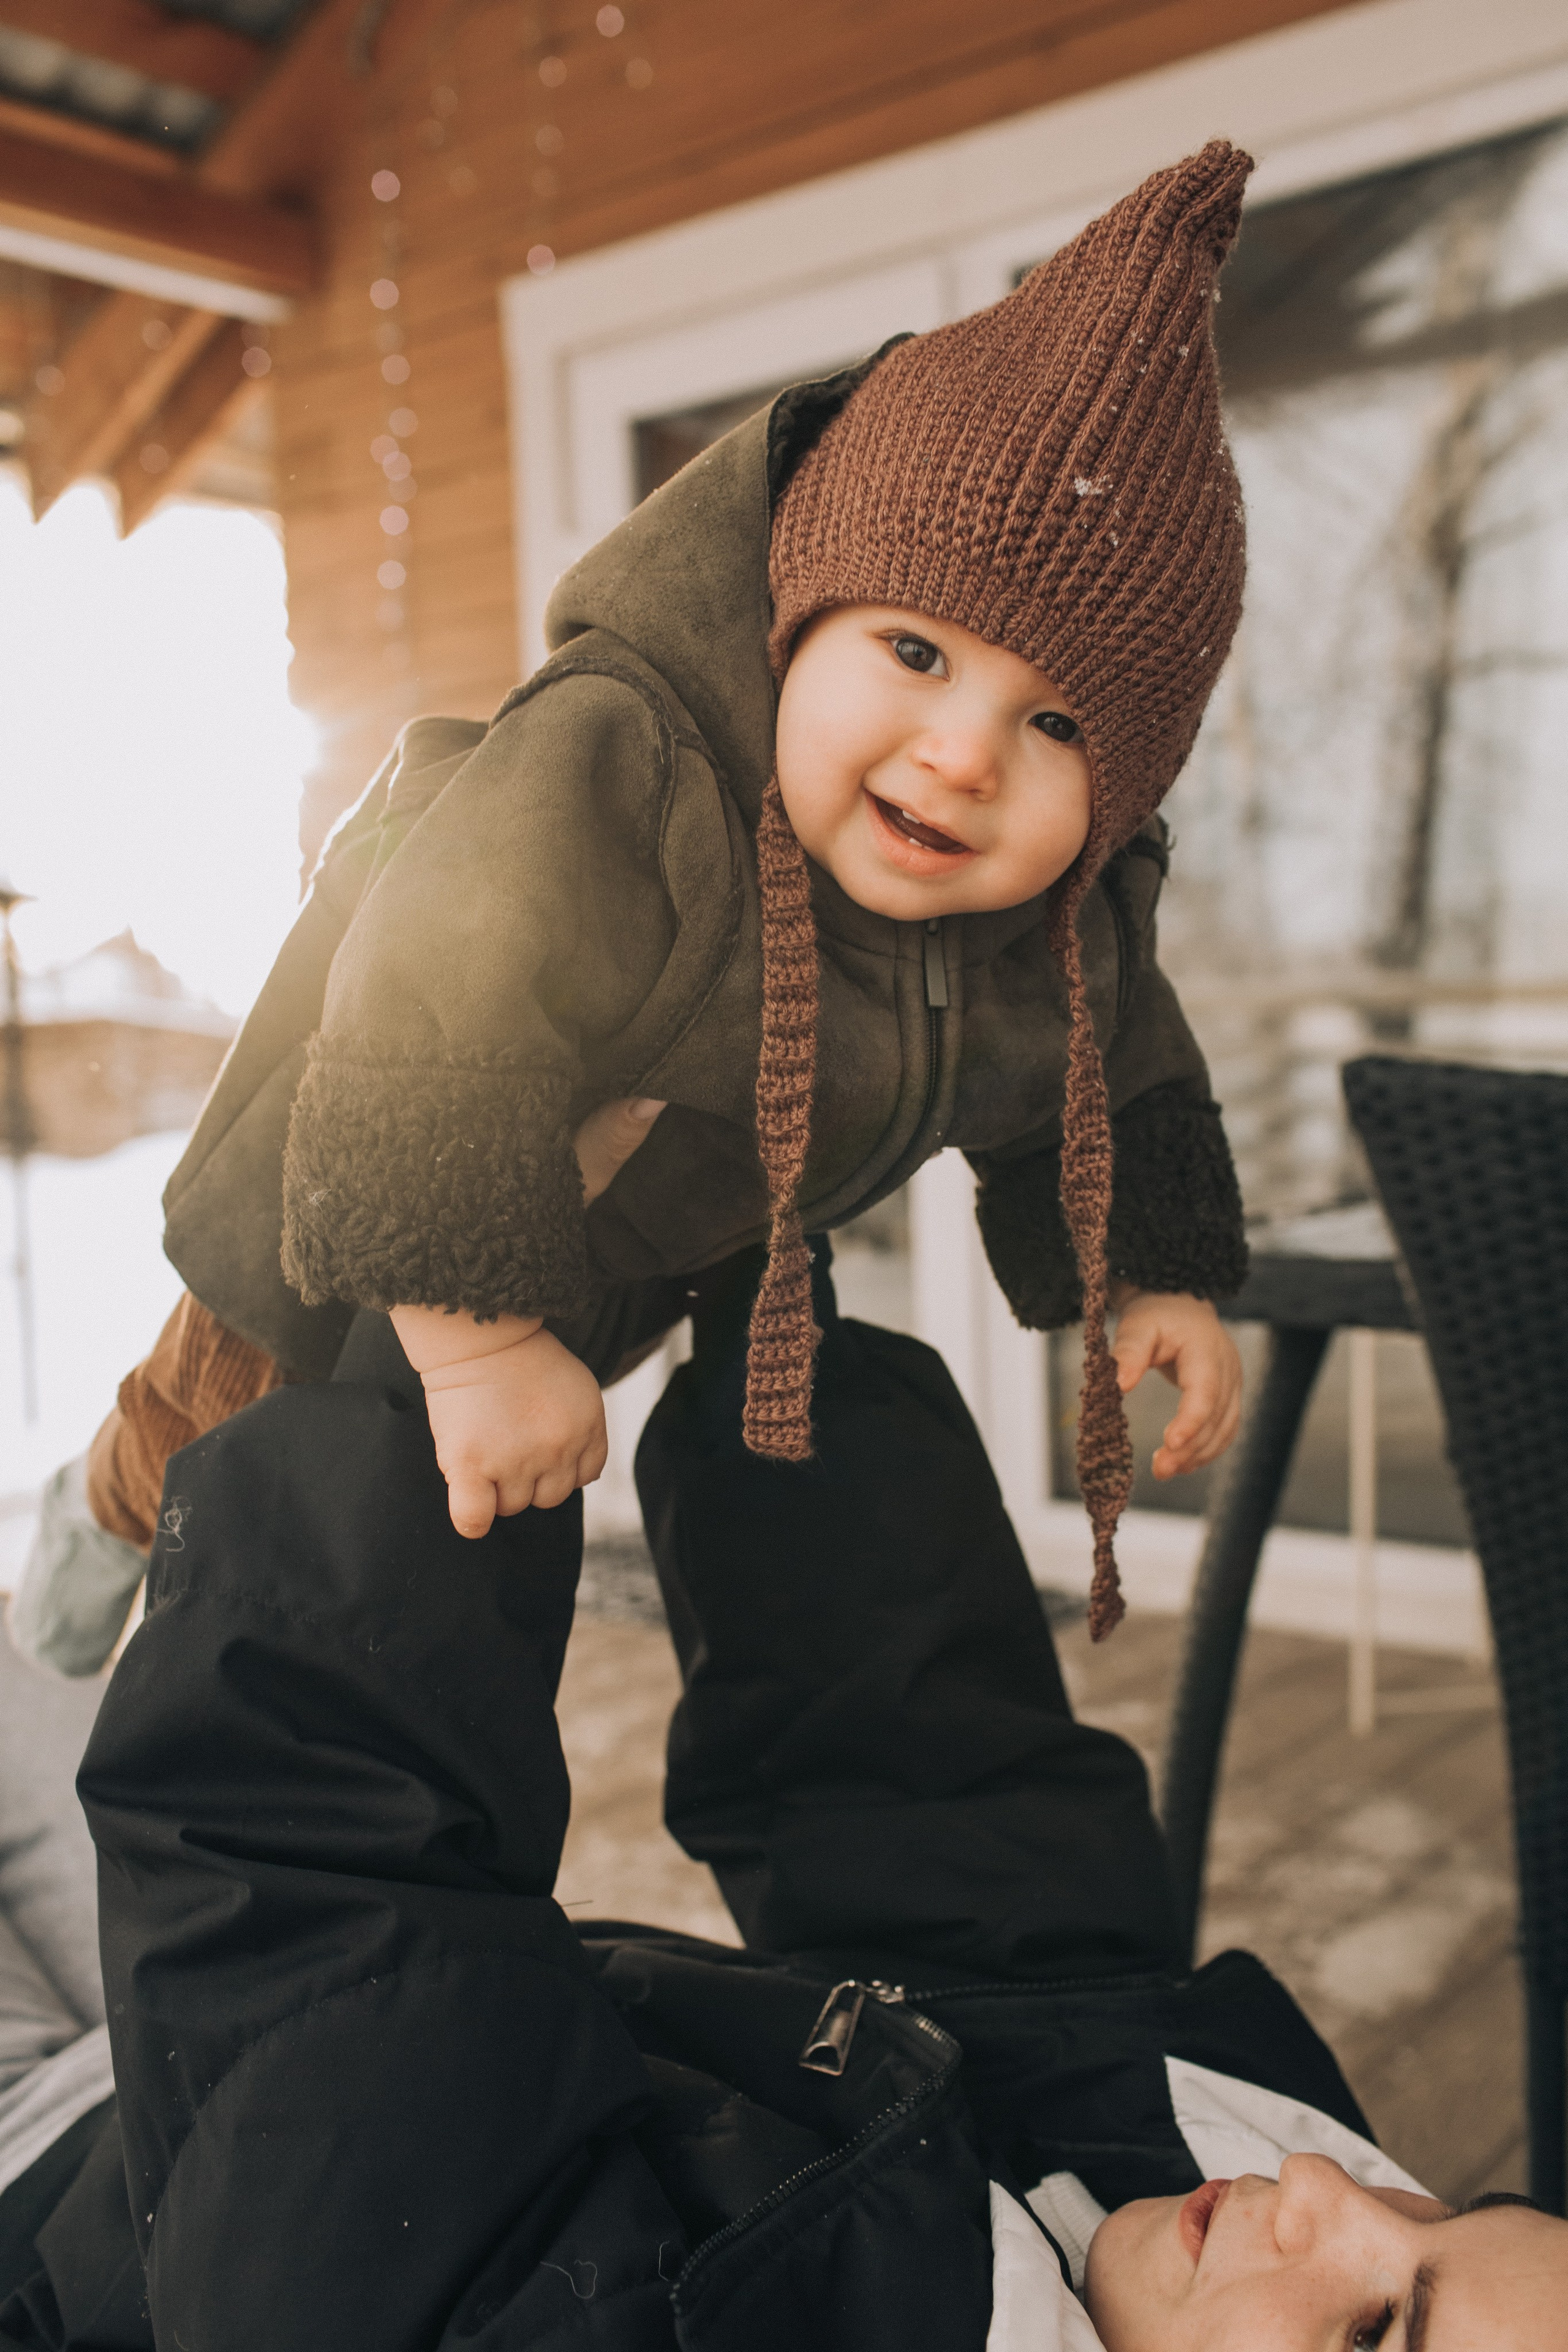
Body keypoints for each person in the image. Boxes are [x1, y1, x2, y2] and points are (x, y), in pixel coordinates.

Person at [18, 140, 1261, 1694]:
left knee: (424, 1528)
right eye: (917, 653)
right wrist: (470, 1334)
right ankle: (88, 1547)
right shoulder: (622, 764)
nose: (962, 755)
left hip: (614, 1256)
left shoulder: (1046, 927)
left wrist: (1150, 1274)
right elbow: (432, 1013)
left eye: (1060, 729)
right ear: (796, 612)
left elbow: (1110, 1076)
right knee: (227, 1455)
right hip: (353, 1206)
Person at [3, 1268, 1565, 2350]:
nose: (1325, 2195)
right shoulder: (1239, 2155)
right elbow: (963, 1842)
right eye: (1447, 2211)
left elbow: (320, 1968)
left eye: (1371, 2333)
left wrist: (432, 1345)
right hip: (157, 2031)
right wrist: (773, 1310)